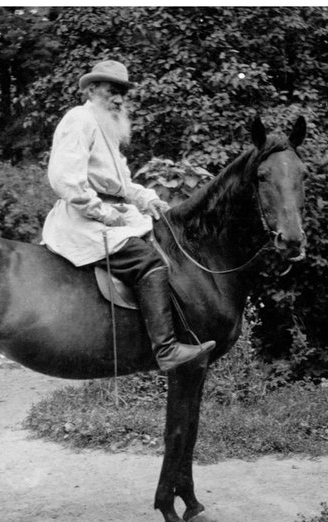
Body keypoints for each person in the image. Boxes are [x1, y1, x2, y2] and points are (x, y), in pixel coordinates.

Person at [42, 59, 215, 371]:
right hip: (84, 219)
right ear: (92, 89)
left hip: (113, 214)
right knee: (149, 262)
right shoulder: (79, 120)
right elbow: (65, 179)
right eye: (112, 90)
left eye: (123, 92)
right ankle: (166, 351)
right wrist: (103, 213)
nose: (119, 98)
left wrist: (148, 199)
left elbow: (120, 184)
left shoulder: (105, 127)